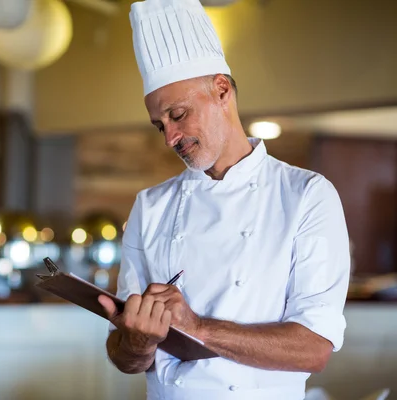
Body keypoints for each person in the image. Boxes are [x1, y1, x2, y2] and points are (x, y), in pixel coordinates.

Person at [96, 0, 351, 399]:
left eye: (178, 115)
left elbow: (314, 348)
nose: (169, 138)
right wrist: (138, 341)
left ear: (221, 90)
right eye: (159, 125)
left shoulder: (306, 196)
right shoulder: (150, 205)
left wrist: (195, 327)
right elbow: (124, 357)